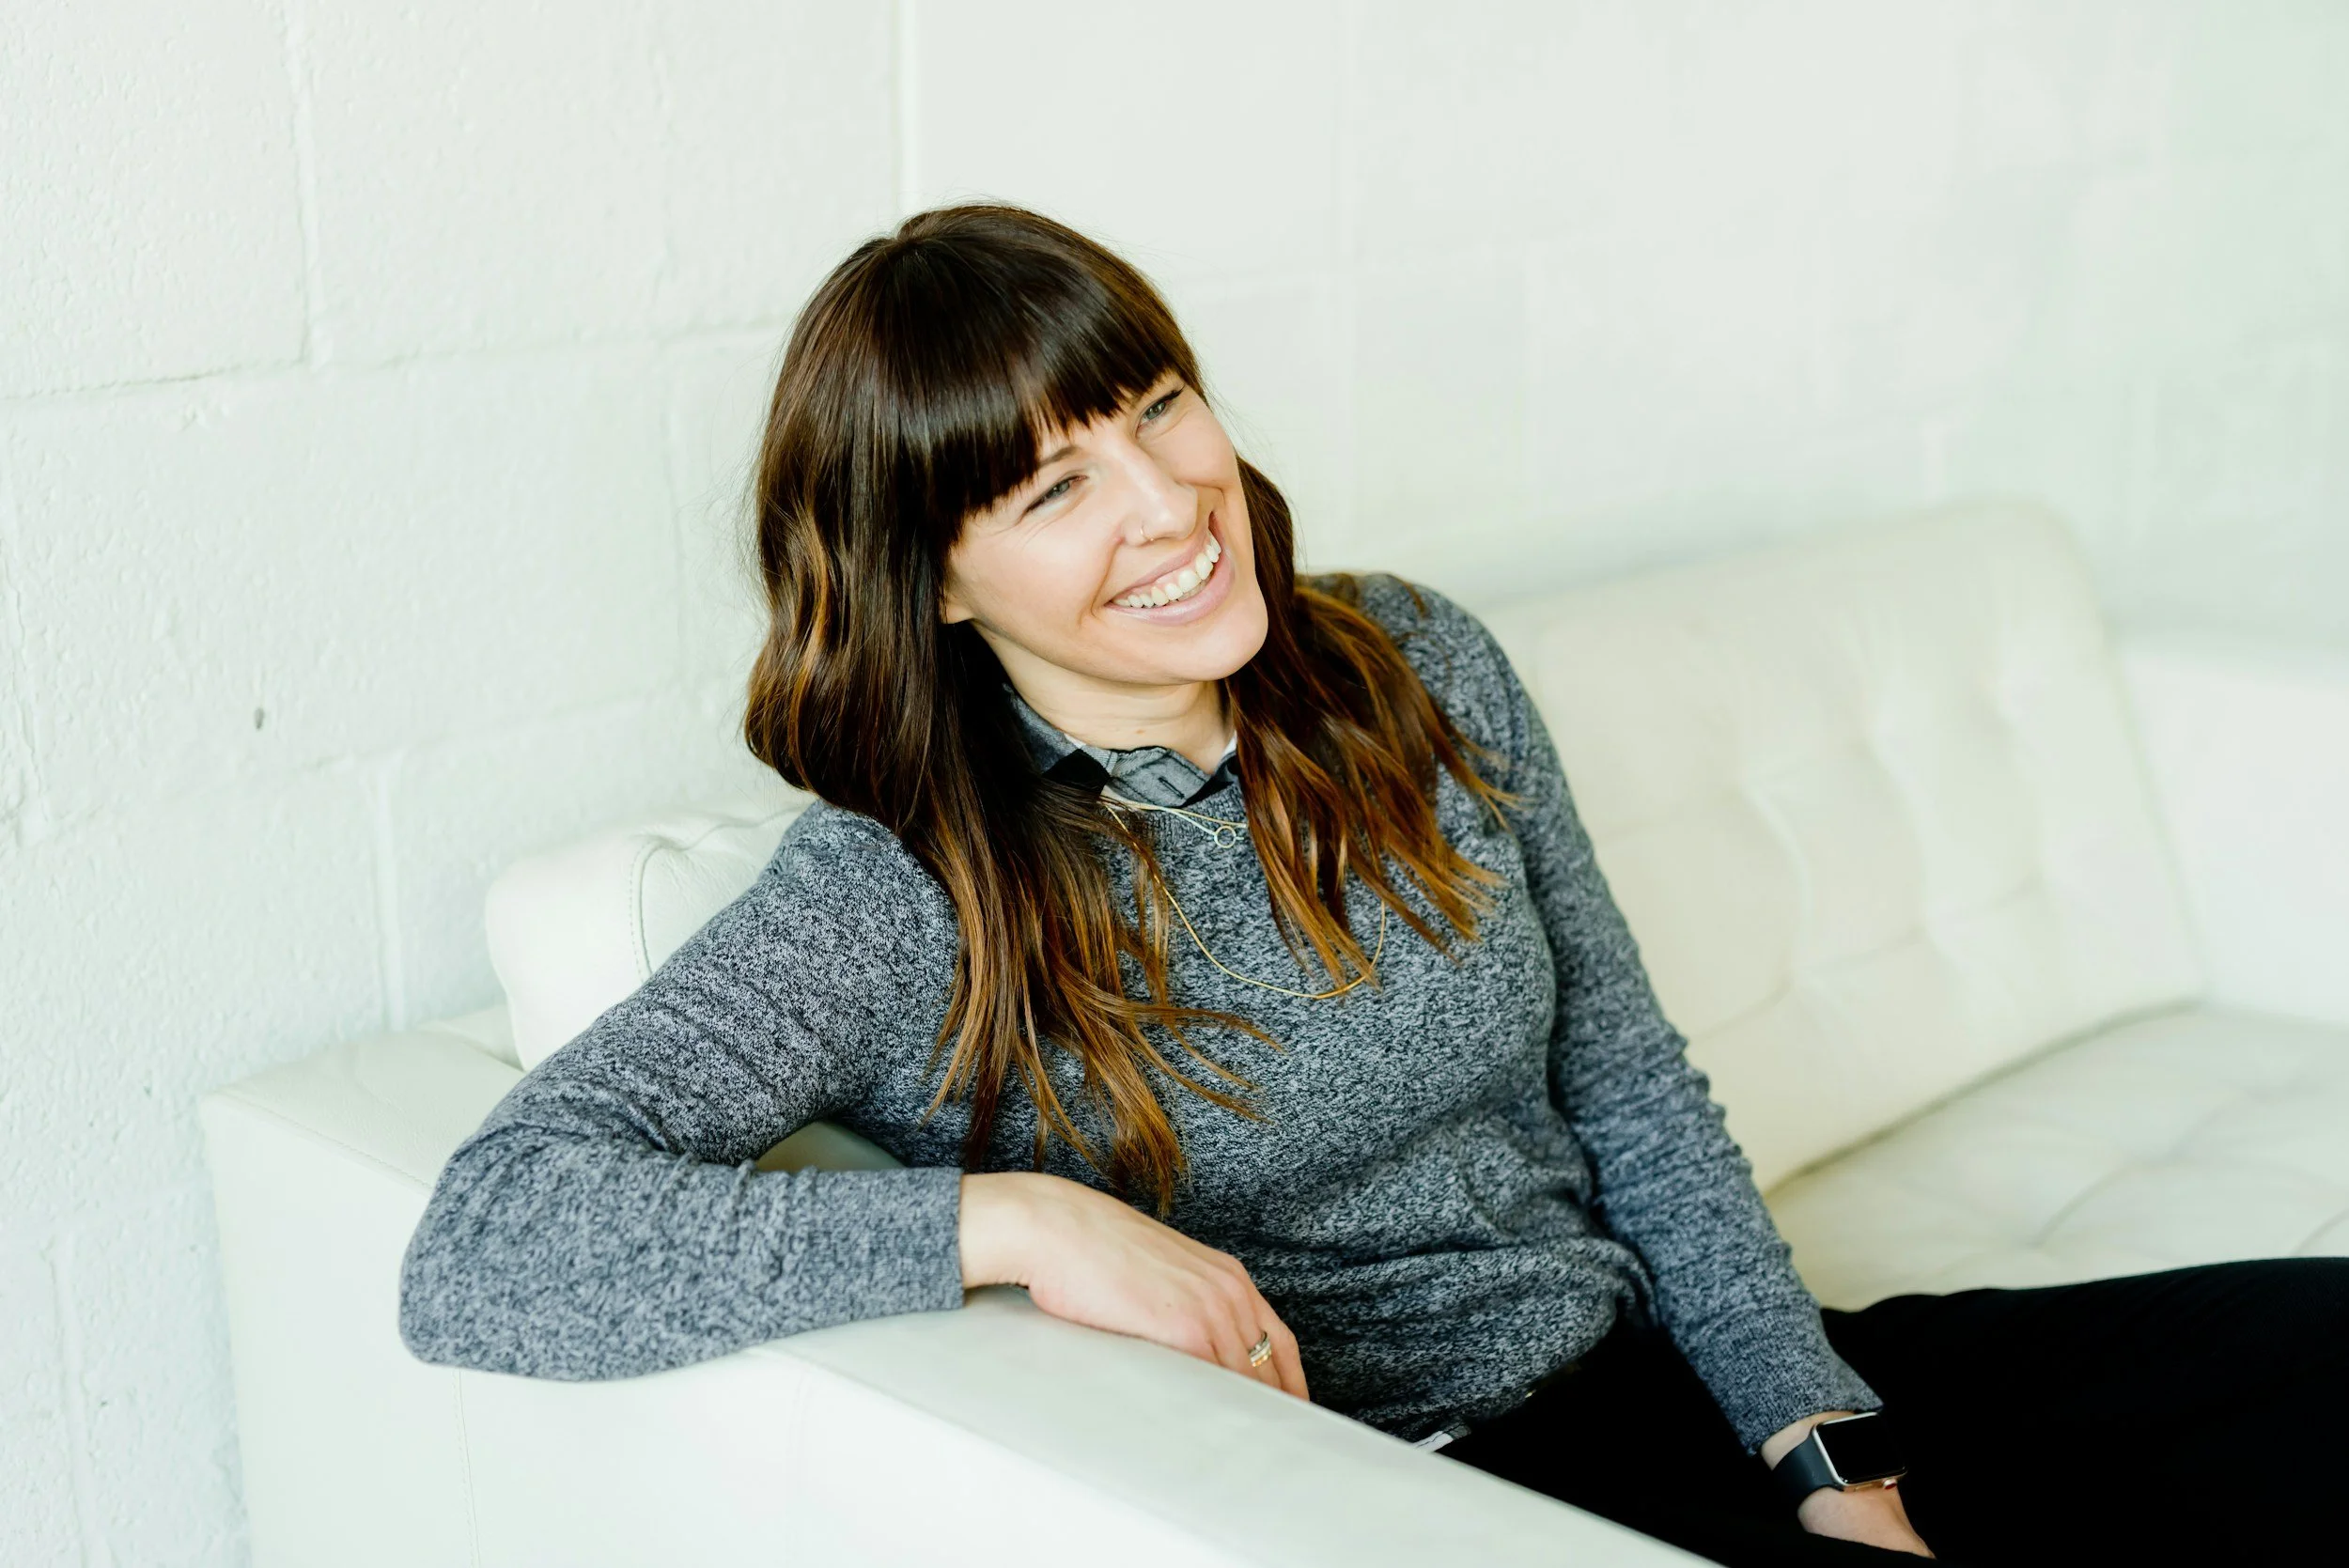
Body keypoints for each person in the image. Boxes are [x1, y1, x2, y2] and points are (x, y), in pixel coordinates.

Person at [397, 204, 2349, 1566]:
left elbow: (1630, 1090)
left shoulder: (1406, 664)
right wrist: (1005, 1222)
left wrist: (1821, 1449)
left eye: (1157, 407)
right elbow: (484, 1242)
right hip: (1448, 1493)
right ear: (930, 580)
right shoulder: (906, 882)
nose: (1170, 502)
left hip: (1675, 1368)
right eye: (1052, 486)